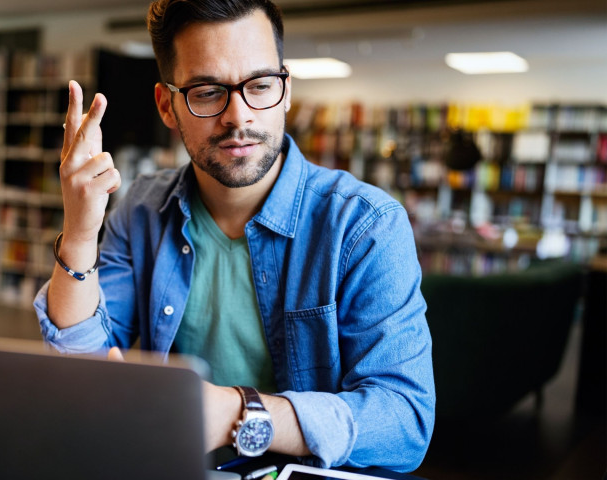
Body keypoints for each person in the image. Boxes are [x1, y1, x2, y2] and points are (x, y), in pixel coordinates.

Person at [34, 0, 435, 472]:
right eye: (207, 92)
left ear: (285, 90)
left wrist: (237, 413)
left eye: (260, 86)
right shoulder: (141, 209)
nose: (238, 117)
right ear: (167, 105)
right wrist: (81, 232)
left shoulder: (365, 225)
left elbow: (404, 423)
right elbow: (84, 367)